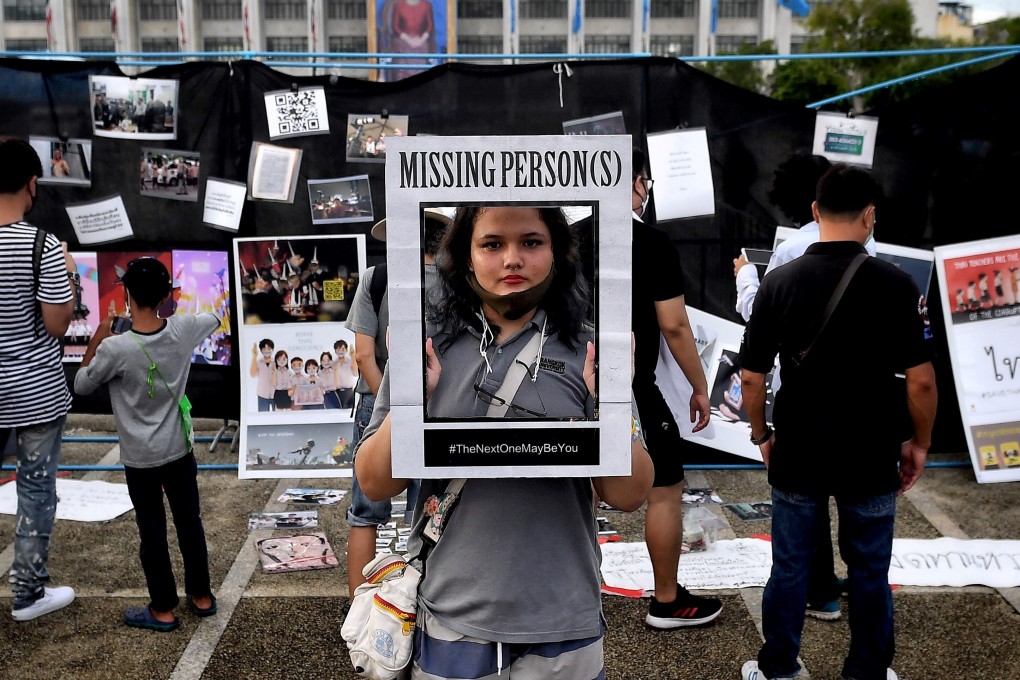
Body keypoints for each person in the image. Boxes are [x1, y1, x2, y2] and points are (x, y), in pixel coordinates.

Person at [354, 205, 654, 678]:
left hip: (563, 617)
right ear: (464, 255)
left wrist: (610, 403)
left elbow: (629, 494)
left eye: (531, 242)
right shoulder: (426, 345)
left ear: (557, 251)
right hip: (453, 617)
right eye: (492, 244)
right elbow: (373, 482)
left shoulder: (591, 347)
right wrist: (412, 401)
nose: (512, 259)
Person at [738, 164, 937, 680]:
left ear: (814, 212)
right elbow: (921, 382)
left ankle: (779, 666)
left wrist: (762, 435)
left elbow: (753, 377)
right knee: (870, 571)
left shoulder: (778, 282)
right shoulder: (897, 284)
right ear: (870, 215)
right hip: (871, 449)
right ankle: (867, 671)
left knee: (789, 567)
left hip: (799, 445)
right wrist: (919, 442)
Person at [732, 152, 851, 621]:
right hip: (855, 393)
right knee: (857, 498)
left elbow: (758, 317)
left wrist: (745, 275)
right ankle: (845, 587)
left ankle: (817, 591)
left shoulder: (790, 250)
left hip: (800, 392)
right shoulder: (871, 247)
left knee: (803, 495)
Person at [74, 257, 220, 632]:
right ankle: (202, 596)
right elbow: (214, 319)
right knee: (190, 523)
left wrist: (102, 331)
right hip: (179, 451)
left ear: (126, 295)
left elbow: (82, 384)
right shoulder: (183, 329)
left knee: (151, 529)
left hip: (139, 459)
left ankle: (163, 608)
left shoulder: (116, 348)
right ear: (165, 296)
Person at [629, 148, 719, 628]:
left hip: (566, 386)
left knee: (570, 491)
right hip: (633, 387)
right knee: (665, 486)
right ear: (639, 183)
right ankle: (667, 600)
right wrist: (700, 385)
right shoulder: (652, 242)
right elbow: (675, 326)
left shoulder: (565, 239)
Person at [344, 208, 450, 598]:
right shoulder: (460, 283)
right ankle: (419, 603)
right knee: (428, 512)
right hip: (439, 404)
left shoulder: (379, 278)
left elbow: (363, 356)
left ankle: (360, 607)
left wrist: (391, 404)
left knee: (364, 514)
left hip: (378, 406)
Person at [0, 136, 77, 622]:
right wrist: (66, 273)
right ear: (32, 183)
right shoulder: (41, 244)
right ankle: (27, 594)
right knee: (34, 488)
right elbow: (56, 324)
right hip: (34, 394)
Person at [250, 339, 276, 411]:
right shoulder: (258, 362)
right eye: (264, 349)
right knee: (263, 415)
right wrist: (254, 356)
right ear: (261, 350)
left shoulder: (276, 362)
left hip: (275, 394)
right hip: (262, 395)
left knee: (277, 416)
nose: (267, 350)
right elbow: (253, 374)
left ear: (272, 349)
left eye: (269, 348)